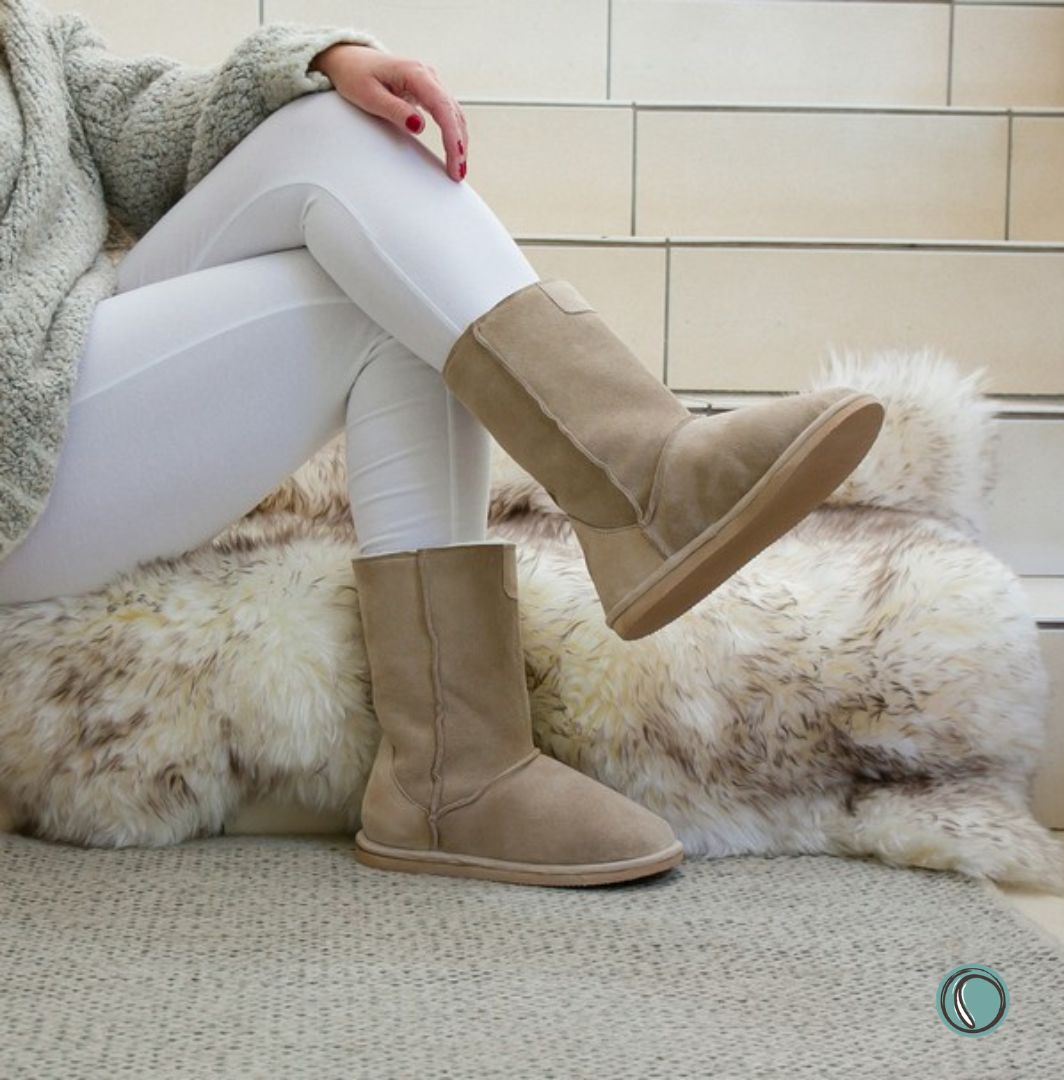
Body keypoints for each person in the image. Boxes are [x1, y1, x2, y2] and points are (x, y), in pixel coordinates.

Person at [0, 0, 884, 887]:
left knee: (345, 158)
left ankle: (462, 759)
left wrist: (325, 60)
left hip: (66, 365)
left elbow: (149, 130)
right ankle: (642, 489)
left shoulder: (22, 34)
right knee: (378, 271)